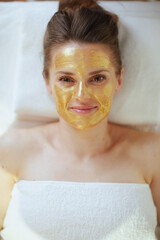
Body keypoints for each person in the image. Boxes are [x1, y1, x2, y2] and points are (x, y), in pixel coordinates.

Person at [0, 0, 160, 239]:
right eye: (66, 79)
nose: (82, 96)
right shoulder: (11, 150)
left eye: (97, 78)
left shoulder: (152, 153)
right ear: (47, 82)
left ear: (118, 80)